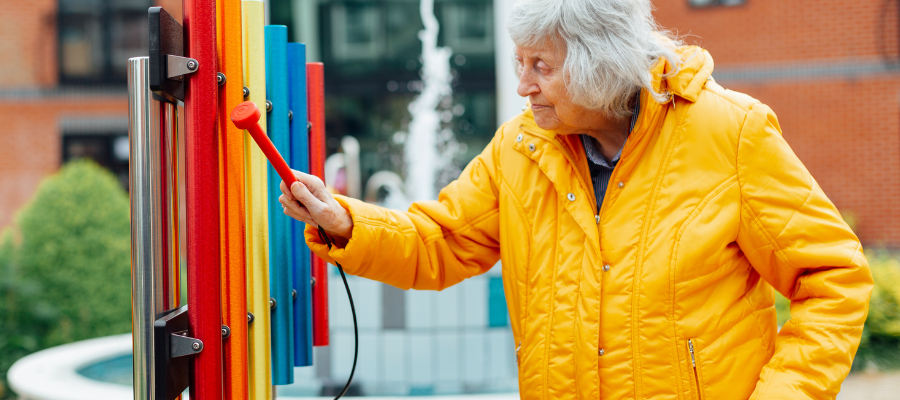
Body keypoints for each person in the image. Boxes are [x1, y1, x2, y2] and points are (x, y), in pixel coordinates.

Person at [279, 0, 873, 398]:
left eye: (541, 66)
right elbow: (441, 243)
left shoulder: (731, 132)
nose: (522, 85)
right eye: (519, 63)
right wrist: (344, 221)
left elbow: (834, 280)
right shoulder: (519, 147)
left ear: (601, 66)